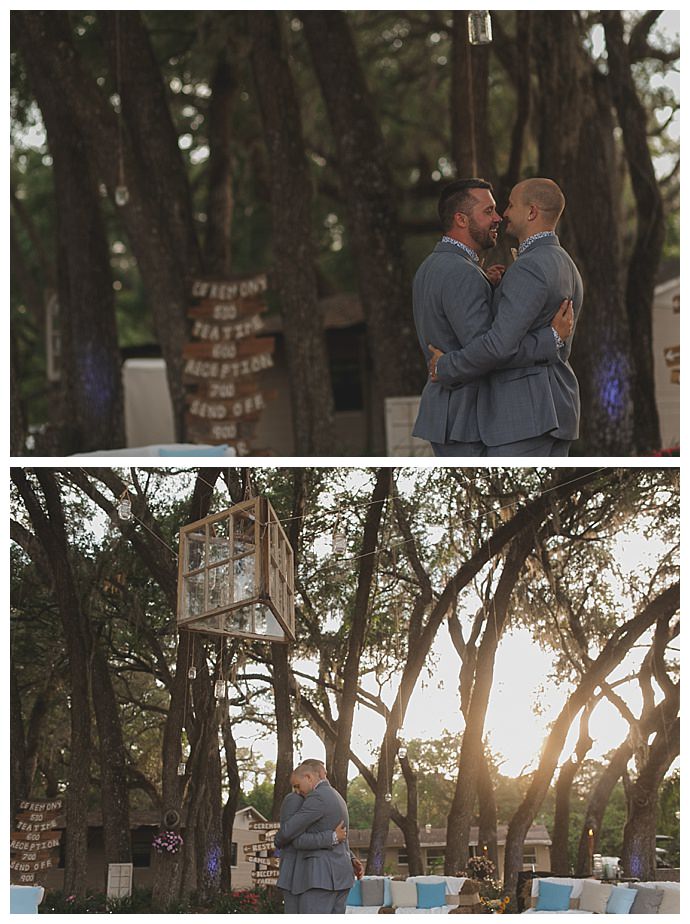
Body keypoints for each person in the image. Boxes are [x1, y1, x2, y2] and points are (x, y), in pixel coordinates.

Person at [412, 177, 572, 457]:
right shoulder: (461, 273)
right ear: (461, 220)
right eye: (488, 211)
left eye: (501, 208)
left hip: (448, 413)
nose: (499, 217)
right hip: (465, 416)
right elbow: (493, 348)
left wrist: (487, 287)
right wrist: (552, 339)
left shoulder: (432, 266)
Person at [274, 759, 362, 914]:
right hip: (340, 877)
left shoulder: (317, 797)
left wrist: (332, 837)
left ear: (309, 777)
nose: (297, 791)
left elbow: (293, 838)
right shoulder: (338, 796)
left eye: (298, 786)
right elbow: (339, 832)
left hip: (318, 878)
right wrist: (350, 857)